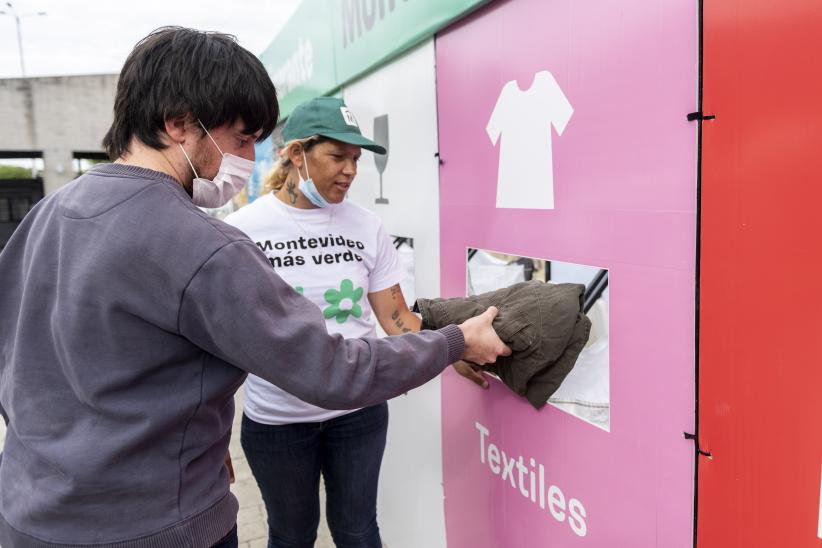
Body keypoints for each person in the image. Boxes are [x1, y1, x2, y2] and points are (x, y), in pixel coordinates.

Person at [0, 27, 510, 548]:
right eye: (242, 138)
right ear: (178, 124)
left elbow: (13, 359)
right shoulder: (204, 245)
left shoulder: (47, 215)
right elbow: (331, 369)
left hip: (30, 515)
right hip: (156, 527)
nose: (247, 156)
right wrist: (455, 342)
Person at [224, 97, 488, 548]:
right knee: (290, 535)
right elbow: (228, 341)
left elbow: (397, 319)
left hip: (359, 414)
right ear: (296, 154)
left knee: (358, 531)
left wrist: (454, 349)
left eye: (356, 159)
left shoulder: (367, 227)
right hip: (277, 422)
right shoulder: (243, 230)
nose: (350, 170)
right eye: (337, 156)